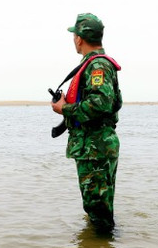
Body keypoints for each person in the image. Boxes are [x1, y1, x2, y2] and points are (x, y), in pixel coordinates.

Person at [51, 13, 122, 234]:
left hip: (95, 147)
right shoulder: (95, 64)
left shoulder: (97, 66)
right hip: (95, 145)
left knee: (97, 209)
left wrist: (64, 108)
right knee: (99, 206)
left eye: (75, 36)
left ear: (79, 38)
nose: (74, 40)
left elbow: (100, 104)